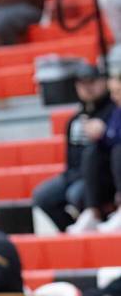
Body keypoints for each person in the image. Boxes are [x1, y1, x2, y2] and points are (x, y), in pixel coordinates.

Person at [33, 62, 113, 231]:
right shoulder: (74, 119)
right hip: (74, 174)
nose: (87, 88)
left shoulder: (113, 113)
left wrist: (104, 134)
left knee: (76, 194)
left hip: (103, 176)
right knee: (42, 196)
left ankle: (96, 224)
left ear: (103, 82)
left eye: (92, 82)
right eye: (82, 83)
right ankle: (70, 230)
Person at [67, 62, 121, 234]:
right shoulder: (116, 112)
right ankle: (92, 212)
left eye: (118, 92)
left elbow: (114, 139)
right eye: (113, 92)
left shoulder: (110, 110)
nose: (114, 97)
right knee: (93, 151)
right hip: (106, 170)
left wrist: (104, 133)